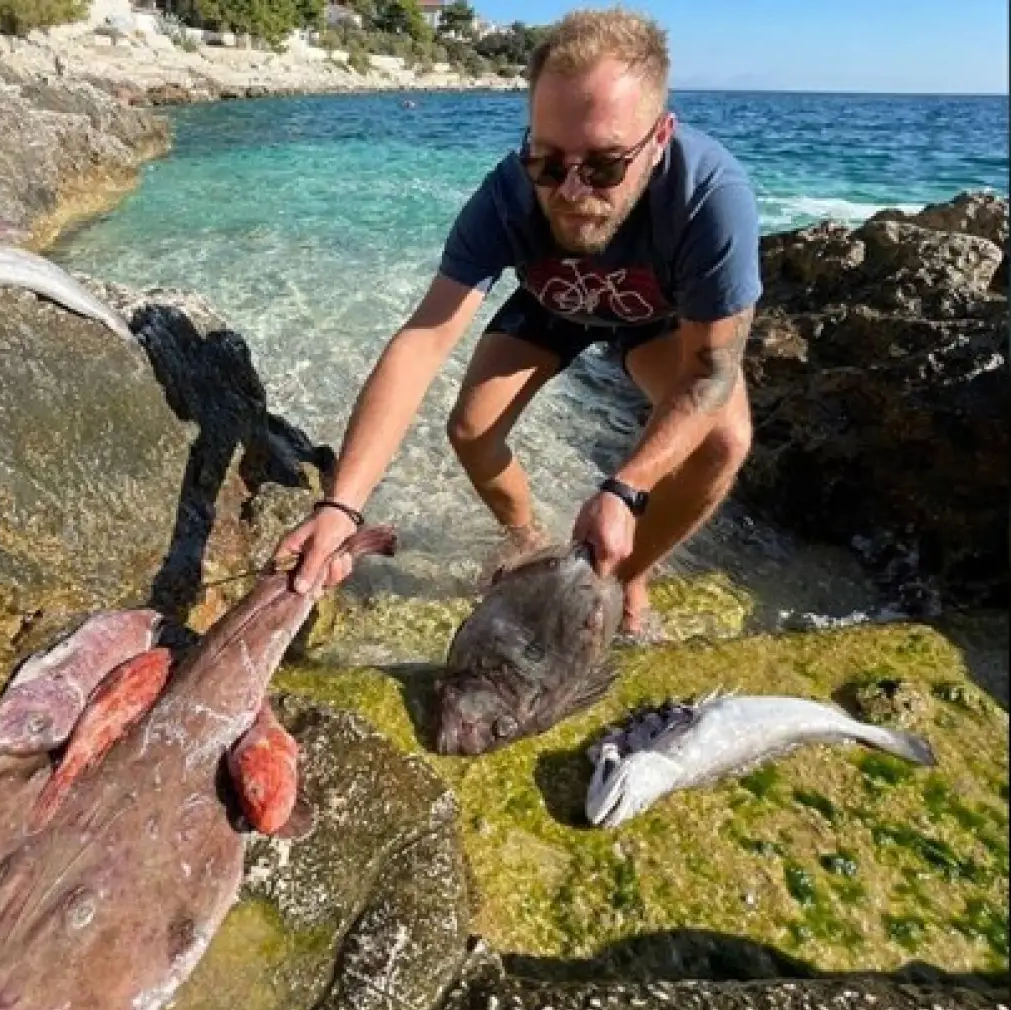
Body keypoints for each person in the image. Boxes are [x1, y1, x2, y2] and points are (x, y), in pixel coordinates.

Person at [271, 6, 761, 641]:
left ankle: (628, 575)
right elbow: (424, 340)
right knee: (472, 430)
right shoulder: (504, 195)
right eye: (549, 161)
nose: (572, 190)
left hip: (656, 319)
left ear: (661, 137)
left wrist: (627, 488)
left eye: (606, 165)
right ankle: (525, 537)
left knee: (724, 442)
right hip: (553, 302)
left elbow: (711, 369)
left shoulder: (710, 197)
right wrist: (342, 504)